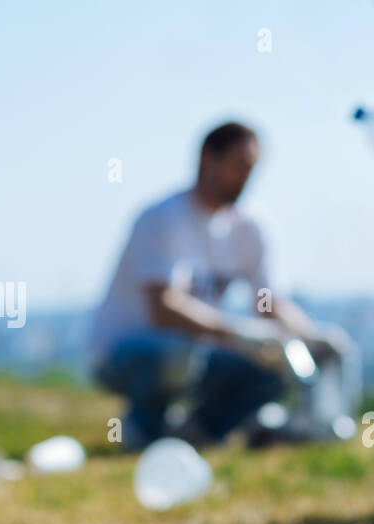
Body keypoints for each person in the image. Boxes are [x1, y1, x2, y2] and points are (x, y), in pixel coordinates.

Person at [90, 121, 342, 450]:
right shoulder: (163, 218)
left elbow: (268, 303)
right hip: (126, 351)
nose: (246, 177)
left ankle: (196, 435)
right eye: (238, 166)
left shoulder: (251, 226)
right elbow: (164, 309)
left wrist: (310, 337)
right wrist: (237, 334)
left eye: (251, 168)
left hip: (200, 350)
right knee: (177, 356)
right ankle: (143, 437)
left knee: (273, 367)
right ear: (207, 159)